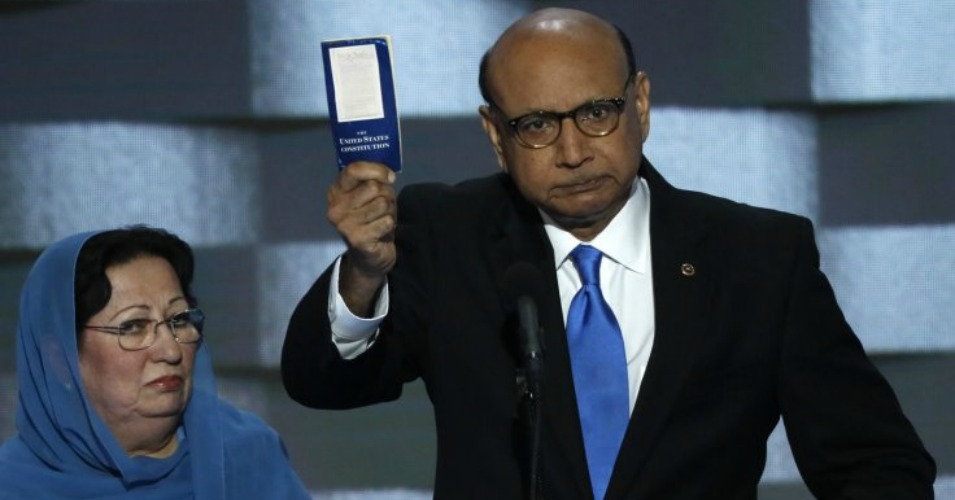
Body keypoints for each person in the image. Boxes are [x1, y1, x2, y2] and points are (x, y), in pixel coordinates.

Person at [281, 7, 935, 499]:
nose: (572, 151)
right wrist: (365, 273)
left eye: (596, 112)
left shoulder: (757, 257)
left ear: (640, 103)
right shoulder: (444, 233)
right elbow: (321, 383)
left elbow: (876, 466)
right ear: (494, 134)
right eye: (536, 125)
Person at [0, 227, 311, 499]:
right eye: (134, 326)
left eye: (179, 320)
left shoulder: (246, 453)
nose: (170, 351)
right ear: (59, 359)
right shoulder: (11, 486)